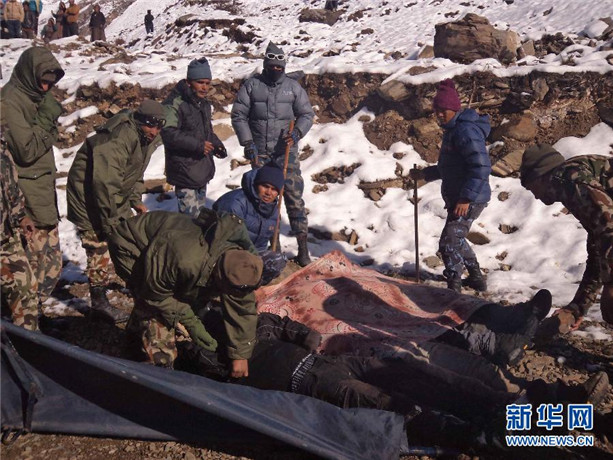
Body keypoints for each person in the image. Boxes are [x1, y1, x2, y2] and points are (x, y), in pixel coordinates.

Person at [175, 307, 610, 449]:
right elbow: (192, 378)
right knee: (414, 412)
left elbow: (290, 327)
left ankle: (579, 420)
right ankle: (551, 441)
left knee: (446, 385)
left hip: (335, 364)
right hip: (316, 385)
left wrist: (307, 339)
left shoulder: (254, 325)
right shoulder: (210, 355)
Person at [107, 209, 263, 375]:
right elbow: (155, 295)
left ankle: (133, 341)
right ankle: (158, 368)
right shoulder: (185, 260)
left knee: (180, 297)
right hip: (131, 245)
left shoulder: (241, 262)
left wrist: (240, 355)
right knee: (155, 311)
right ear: (219, 276)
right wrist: (191, 321)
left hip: (166, 251)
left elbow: (243, 307)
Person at [66, 100, 165, 324]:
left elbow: (135, 172)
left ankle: (138, 291)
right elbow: (105, 184)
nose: (154, 131)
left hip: (111, 195)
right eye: (150, 125)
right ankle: (99, 304)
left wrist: (135, 199)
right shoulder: (119, 138)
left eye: (159, 126)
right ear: (139, 121)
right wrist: (111, 223)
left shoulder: (145, 138)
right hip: (88, 198)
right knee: (99, 246)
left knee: (127, 241)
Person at [231, 41, 315, 267]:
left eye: (279, 67)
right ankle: (269, 244)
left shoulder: (293, 88)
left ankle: (303, 249)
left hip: (285, 152)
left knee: (293, 197)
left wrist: (297, 133)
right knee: (263, 199)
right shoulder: (252, 85)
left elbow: (307, 114)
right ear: (265, 65)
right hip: (260, 153)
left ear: (284, 67)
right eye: (272, 66)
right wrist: (247, 143)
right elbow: (239, 115)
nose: (276, 70)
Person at [409, 79, 491, 293]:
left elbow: (481, 166)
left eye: (443, 111)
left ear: (454, 109)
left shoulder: (465, 131)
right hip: (460, 196)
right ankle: (476, 278)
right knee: (456, 238)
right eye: (436, 111)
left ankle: (453, 287)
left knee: (449, 242)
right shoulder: (453, 130)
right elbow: (451, 167)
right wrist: (425, 174)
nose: (439, 115)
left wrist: (465, 198)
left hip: (470, 199)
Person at [519, 144, 613, 330]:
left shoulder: (569, 181)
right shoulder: (572, 178)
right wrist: (578, 307)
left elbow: (609, 227)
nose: (535, 197)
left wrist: (611, 284)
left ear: (541, 176)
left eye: (531, 188)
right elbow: (598, 249)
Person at [1, 47, 65, 306]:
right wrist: (47, 119)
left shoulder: (35, 97)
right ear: (29, 74)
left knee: (50, 267)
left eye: (51, 83)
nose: (47, 88)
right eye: (43, 81)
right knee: (31, 269)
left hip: (42, 193)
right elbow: (26, 151)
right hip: (25, 198)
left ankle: (31, 316)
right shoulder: (9, 102)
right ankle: (23, 320)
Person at [161, 57, 227, 217]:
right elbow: (168, 133)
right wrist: (198, 145)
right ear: (189, 82)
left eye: (207, 83)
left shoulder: (203, 104)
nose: (205, 87)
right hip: (184, 171)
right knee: (189, 221)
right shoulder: (175, 104)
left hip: (200, 169)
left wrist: (217, 145)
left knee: (199, 218)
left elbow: (206, 131)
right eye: (200, 82)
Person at [214, 165, 288, 284]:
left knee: (276, 261)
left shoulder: (272, 210)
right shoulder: (235, 203)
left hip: (250, 255)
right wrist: (253, 260)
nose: (269, 192)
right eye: (265, 186)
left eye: (274, 189)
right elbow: (225, 241)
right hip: (226, 254)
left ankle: (252, 286)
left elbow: (261, 245)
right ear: (256, 184)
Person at [0, 133, 39, 332]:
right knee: (18, 293)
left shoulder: (1, 143)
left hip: (7, 234)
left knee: (27, 288)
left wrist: (21, 216)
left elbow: (10, 184)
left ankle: (30, 340)